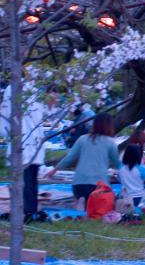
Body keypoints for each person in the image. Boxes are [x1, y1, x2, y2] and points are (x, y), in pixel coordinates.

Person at [48, 113, 121, 209]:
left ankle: (81, 202)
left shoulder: (82, 139)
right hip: (99, 185)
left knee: (82, 198)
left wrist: (54, 170)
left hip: (79, 183)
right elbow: (118, 164)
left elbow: (70, 157)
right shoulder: (110, 142)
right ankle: (90, 204)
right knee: (105, 204)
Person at [0, 86, 46, 220]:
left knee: (23, 183)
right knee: (31, 183)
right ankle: (31, 212)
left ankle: (26, 213)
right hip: (35, 145)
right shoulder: (35, 91)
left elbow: (5, 124)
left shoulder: (12, 90)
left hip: (22, 145)